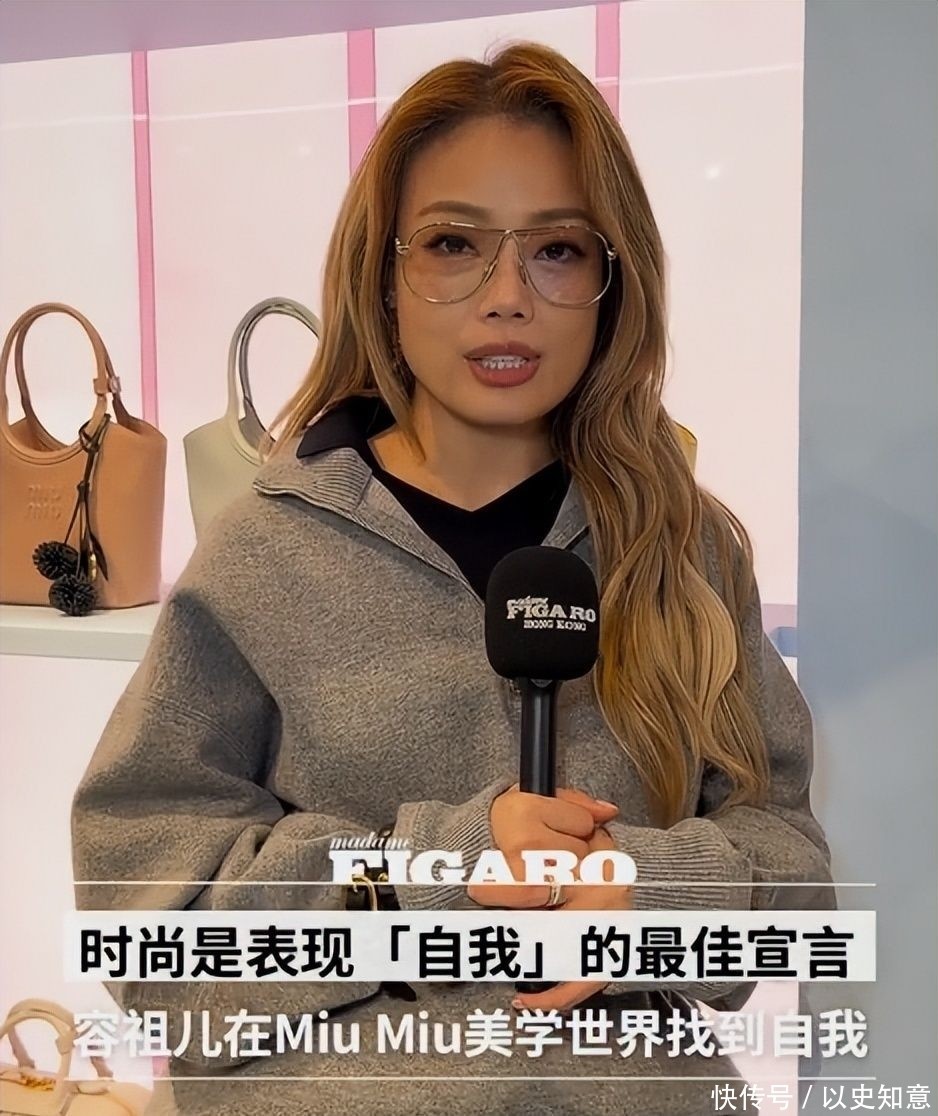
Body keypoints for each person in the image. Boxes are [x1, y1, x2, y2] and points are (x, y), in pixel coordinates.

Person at [72, 41, 835, 1116]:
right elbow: (152, 934)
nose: (506, 297)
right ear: (383, 280)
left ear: (611, 283)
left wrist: (650, 893)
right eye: (451, 244)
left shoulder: (687, 547)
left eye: (557, 249)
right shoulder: (262, 555)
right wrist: (427, 872)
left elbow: (793, 878)